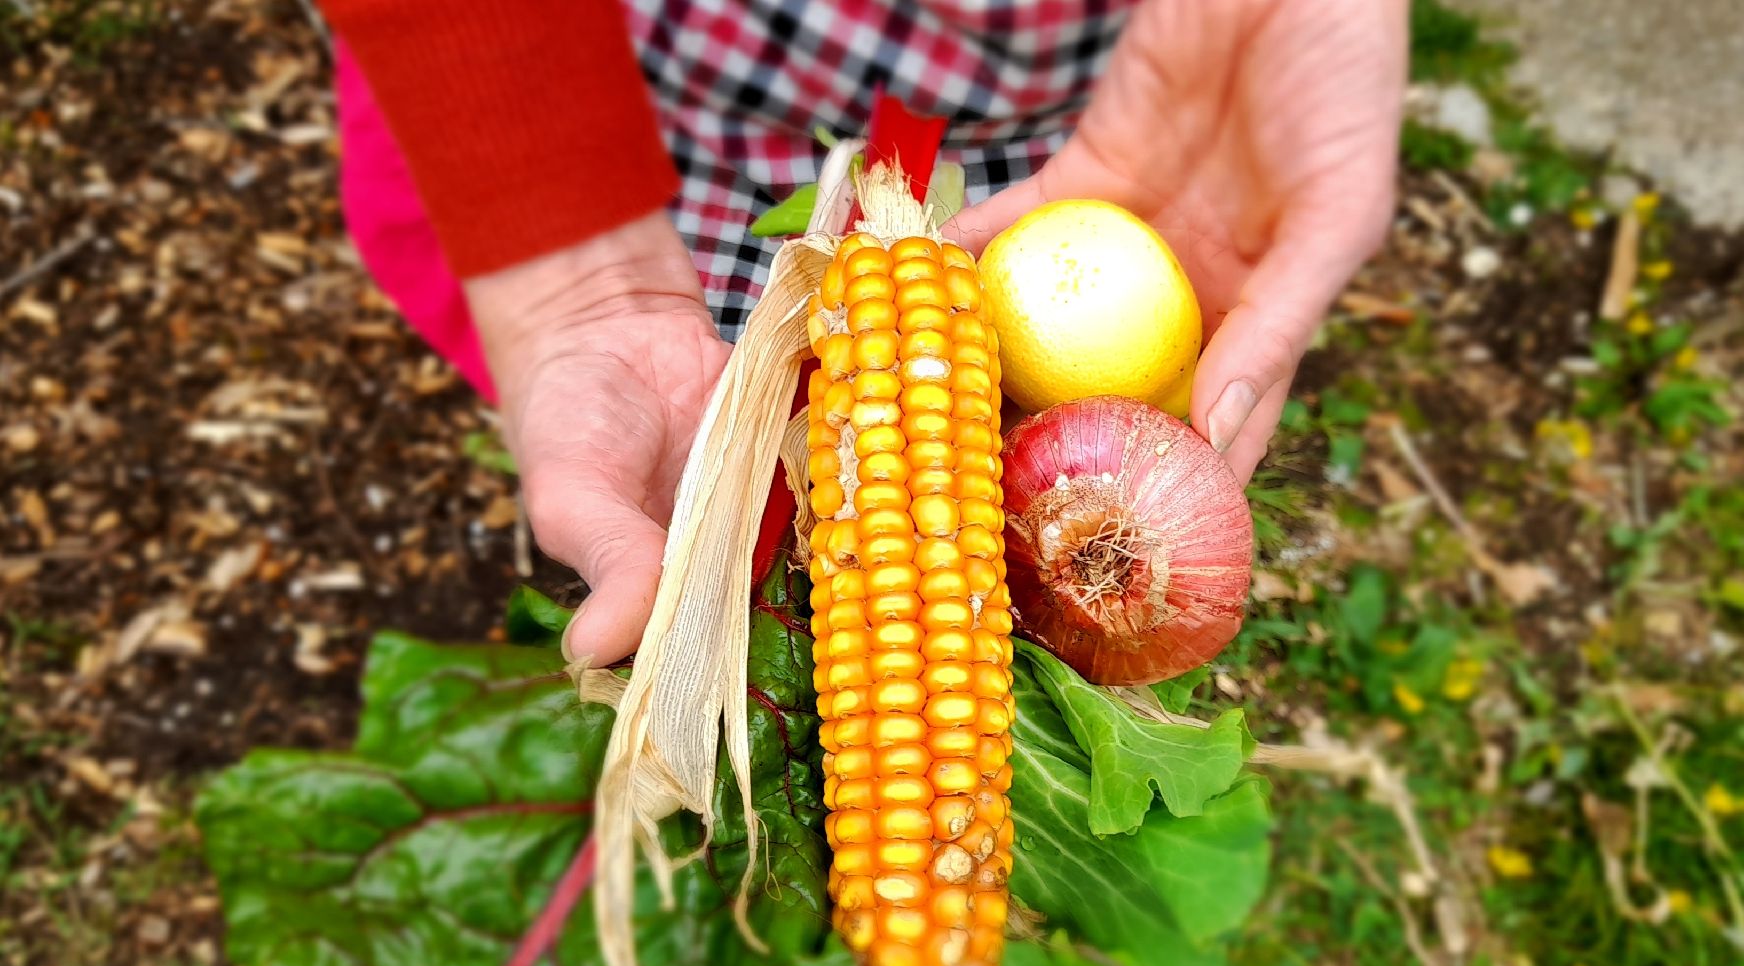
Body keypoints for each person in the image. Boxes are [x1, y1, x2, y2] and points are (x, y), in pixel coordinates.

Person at [323, 0, 1406, 667]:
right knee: (696, 476)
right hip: (617, 100)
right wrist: (574, 268)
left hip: (1105, 106)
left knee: (886, 504)